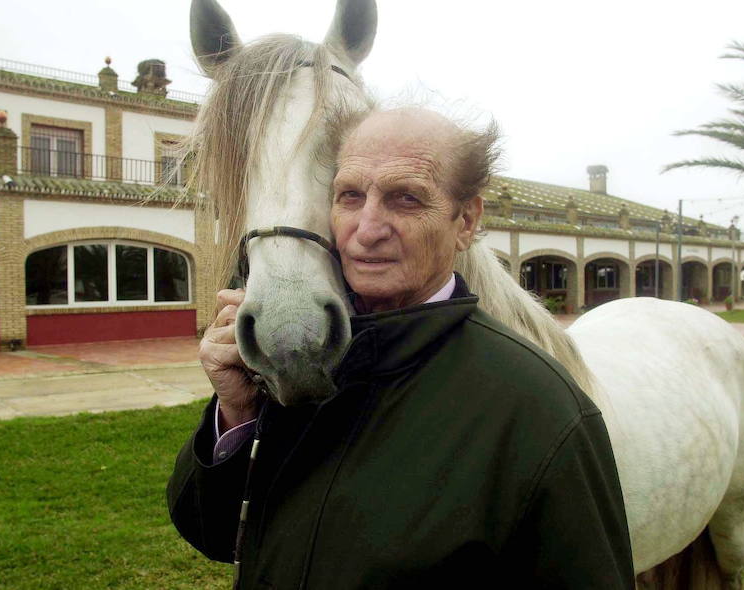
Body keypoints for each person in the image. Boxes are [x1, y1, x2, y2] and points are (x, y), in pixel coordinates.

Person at [167, 108, 635, 589]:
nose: (366, 230)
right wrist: (237, 414)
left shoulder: (542, 410)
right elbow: (214, 535)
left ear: (466, 222)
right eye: (350, 195)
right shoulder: (306, 361)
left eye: (406, 199)